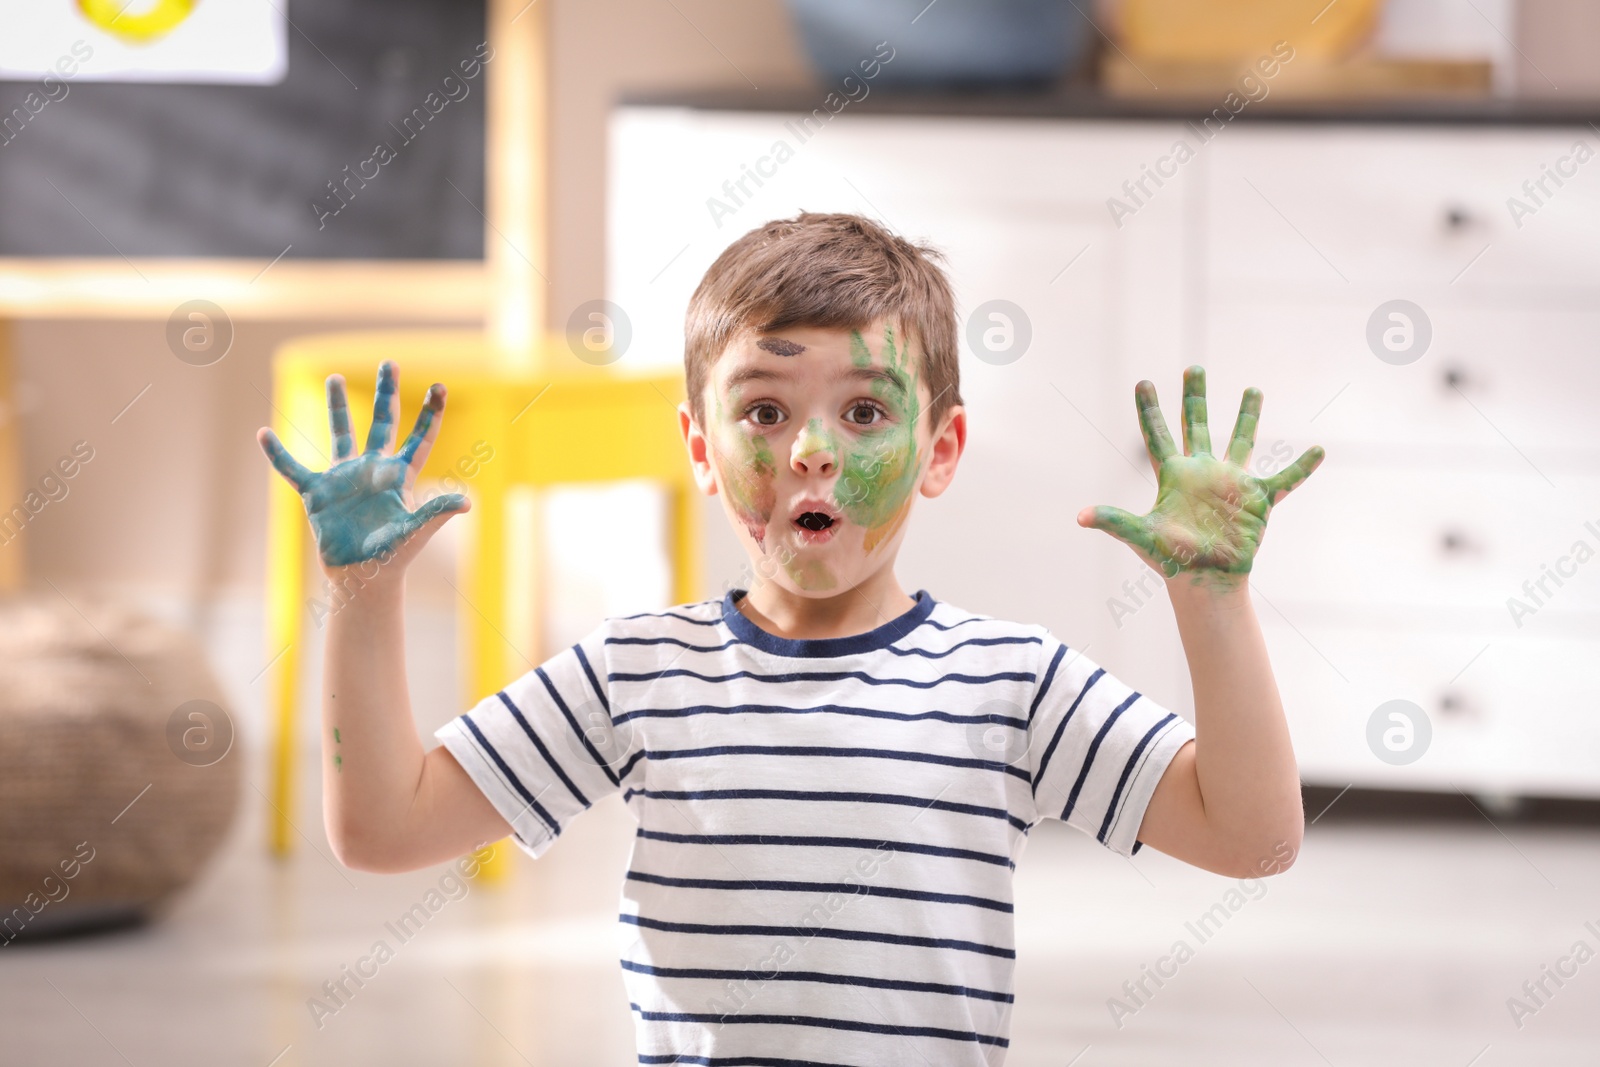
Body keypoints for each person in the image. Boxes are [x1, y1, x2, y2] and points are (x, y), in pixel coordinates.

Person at [258, 211, 1324, 1064]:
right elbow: (383, 829)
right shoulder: (637, 669)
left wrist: (1211, 597)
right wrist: (365, 596)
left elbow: (1254, 836)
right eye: (763, 411)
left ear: (940, 446)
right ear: (700, 447)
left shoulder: (1012, 681)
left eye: (865, 413)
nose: (811, 450)